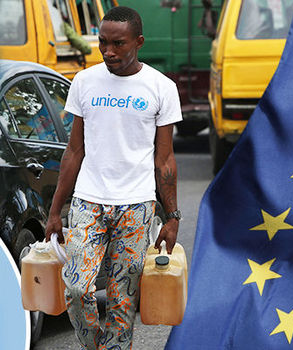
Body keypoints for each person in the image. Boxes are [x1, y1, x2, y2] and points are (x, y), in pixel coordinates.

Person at [44, 6, 182, 350]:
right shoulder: (85, 82)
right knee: (77, 288)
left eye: (118, 44)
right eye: (103, 42)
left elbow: (164, 159)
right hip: (88, 200)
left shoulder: (160, 87)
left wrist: (172, 216)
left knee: (122, 300)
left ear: (139, 41)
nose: (108, 51)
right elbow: (73, 151)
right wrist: (55, 210)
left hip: (136, 206)